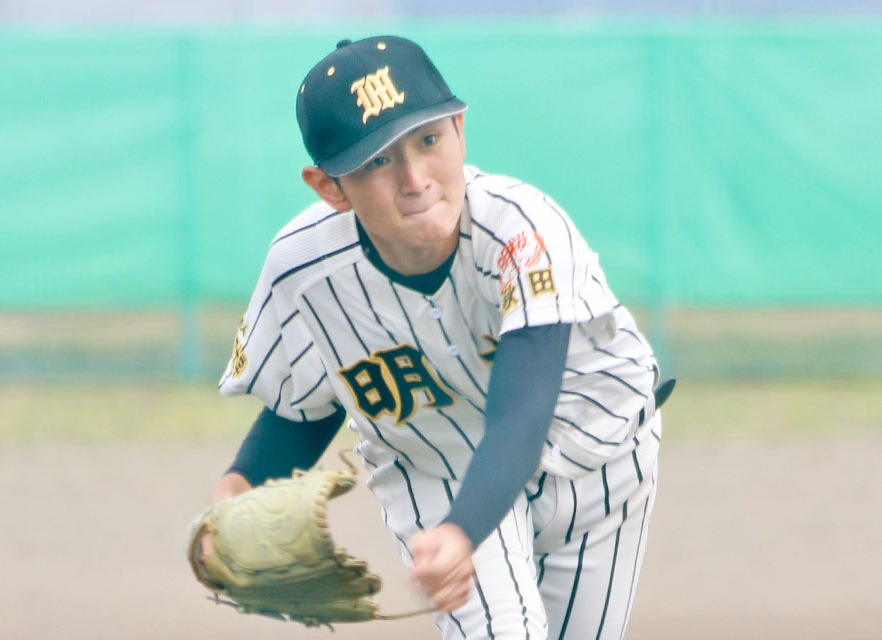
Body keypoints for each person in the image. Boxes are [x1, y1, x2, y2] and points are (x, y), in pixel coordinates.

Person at [204, 35, 670, 640]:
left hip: (602, 463)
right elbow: (310, 401)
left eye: (428, 140)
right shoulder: (303, 269)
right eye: (376, 160)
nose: (415, 178)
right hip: (439, 471)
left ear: (459, 130)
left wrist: (461, 532)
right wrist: (227, 505)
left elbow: (521, 417)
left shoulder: (523, 230)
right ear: (329, 187)